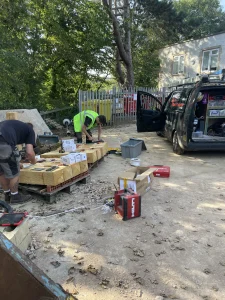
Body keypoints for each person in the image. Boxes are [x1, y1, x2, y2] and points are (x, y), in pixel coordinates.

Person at [0, 120, 36, 204]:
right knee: (14, 173)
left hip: (3, 140)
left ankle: (7, 195)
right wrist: (34, 161)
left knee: (1, 172)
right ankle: (15, 196)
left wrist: (17, 162)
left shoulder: (14, 126)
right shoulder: (30, 131)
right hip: (4, 143)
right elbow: (30, 153)